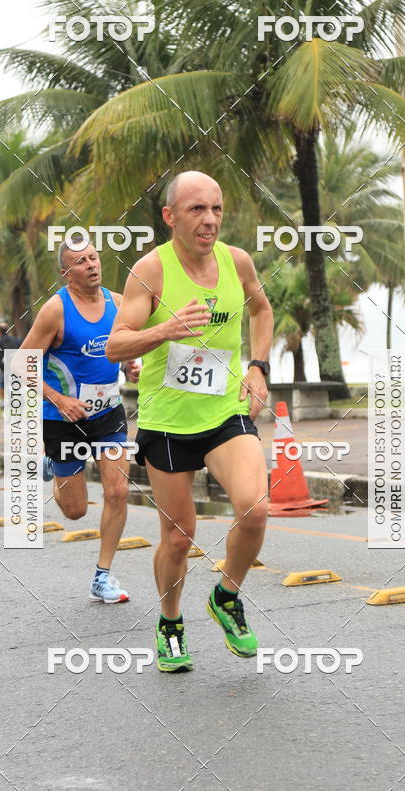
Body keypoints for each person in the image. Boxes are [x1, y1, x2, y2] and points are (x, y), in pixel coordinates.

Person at [106, 170, 273, 672]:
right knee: (179, 538)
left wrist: (258, 368)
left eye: (217, 208)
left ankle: (226, 597)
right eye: (198, 209)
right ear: (170, 216)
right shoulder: (151, 271)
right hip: (168, 420)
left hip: (224, 412)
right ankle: (171, 623)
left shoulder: (236, 262)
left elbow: (262, 312)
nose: (210, 220)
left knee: (256, 508)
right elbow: (117, 343)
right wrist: (166, 330)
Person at [19, 239, 140, 603]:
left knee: (118, 491)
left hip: (108, 415)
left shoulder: (119, 303)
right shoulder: (55, 310)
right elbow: (21, 364)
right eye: (80, 261)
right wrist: (60, 399)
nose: (90, 264)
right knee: (74, 511)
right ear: (65, 273)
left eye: (93, 257)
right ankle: (54, 465)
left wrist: (128, 365)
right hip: (62, 418)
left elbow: (120, 348)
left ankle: (103, 576)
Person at [0, 322, 22, 409]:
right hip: (16, 370)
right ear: (8, 330)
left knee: (1, 383)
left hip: (4, 369)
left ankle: (2, 400)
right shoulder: (17, 341)